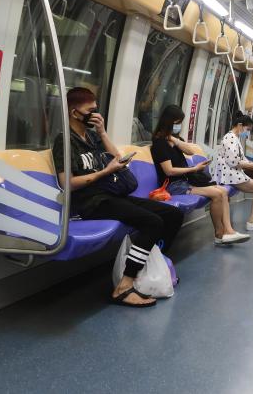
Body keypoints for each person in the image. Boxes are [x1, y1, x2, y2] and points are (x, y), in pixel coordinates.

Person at [52, 87, 184, 308]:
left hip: (110, 195)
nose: (95, 115)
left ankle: (145, 265)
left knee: (172, 213)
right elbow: (68, 183)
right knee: (153, 222)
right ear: (75, 113)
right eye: (90, 111)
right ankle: (125, 285)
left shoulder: (92, 136)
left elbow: (117, 158)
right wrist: (104, 172)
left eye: (97, 110)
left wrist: (103, 132)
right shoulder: (64, 141)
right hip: (91, 203)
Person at [150, 105, 249, 245]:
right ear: (169, 122)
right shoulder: (159, 144)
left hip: (184, 181)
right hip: (173, 186)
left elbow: (190, 151)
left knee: (222, 191)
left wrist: (175, 140)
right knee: (217, 194)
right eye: (177, 123)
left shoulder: (174, 140)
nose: (179, 126)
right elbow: (169, 171)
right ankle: (220, 234)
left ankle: (228, 231)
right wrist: (193, 169)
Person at [212, 112, 253, 231]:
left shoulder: (235, 138)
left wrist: (252, 164)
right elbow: (233, 162)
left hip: (234, 173)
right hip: (230, 175)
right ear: (240, 125)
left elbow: (241, 158)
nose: (247, 132)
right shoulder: (230, 138)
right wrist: (251, 166)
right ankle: (252, 221)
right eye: (247, 129)